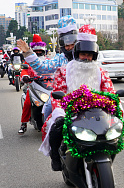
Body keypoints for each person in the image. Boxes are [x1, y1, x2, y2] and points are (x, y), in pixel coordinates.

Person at [39, 24, 117, 171]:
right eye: (83, 54)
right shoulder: (63, 71)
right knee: (56, 126)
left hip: (97, 113)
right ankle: (55, 158)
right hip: (71, 112)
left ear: (94, 56)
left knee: (116, 127)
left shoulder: (102, 72)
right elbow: (57, 94)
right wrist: (61, 112)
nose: (86, 58)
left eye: (89, 55)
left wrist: (113, 107)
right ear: (77, 53)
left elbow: (110, 92)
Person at [17, 15, 78, 122]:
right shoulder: (60, 59)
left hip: (84, 96)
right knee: (48, 109)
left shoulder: (86, 56)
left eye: (71, 43)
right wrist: (28, 52)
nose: (68, 47)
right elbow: (42, 67)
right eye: (65, 43)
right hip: (62, 97)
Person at [18, 35, 48, 134]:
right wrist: (25, 77)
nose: (38, 52)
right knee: (27, 102)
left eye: (40, 50)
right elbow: (24, 71)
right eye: (37, 51)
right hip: (32, 84)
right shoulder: (29, 60)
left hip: (46, 85)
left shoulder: (48, 60)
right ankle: (23, 123)